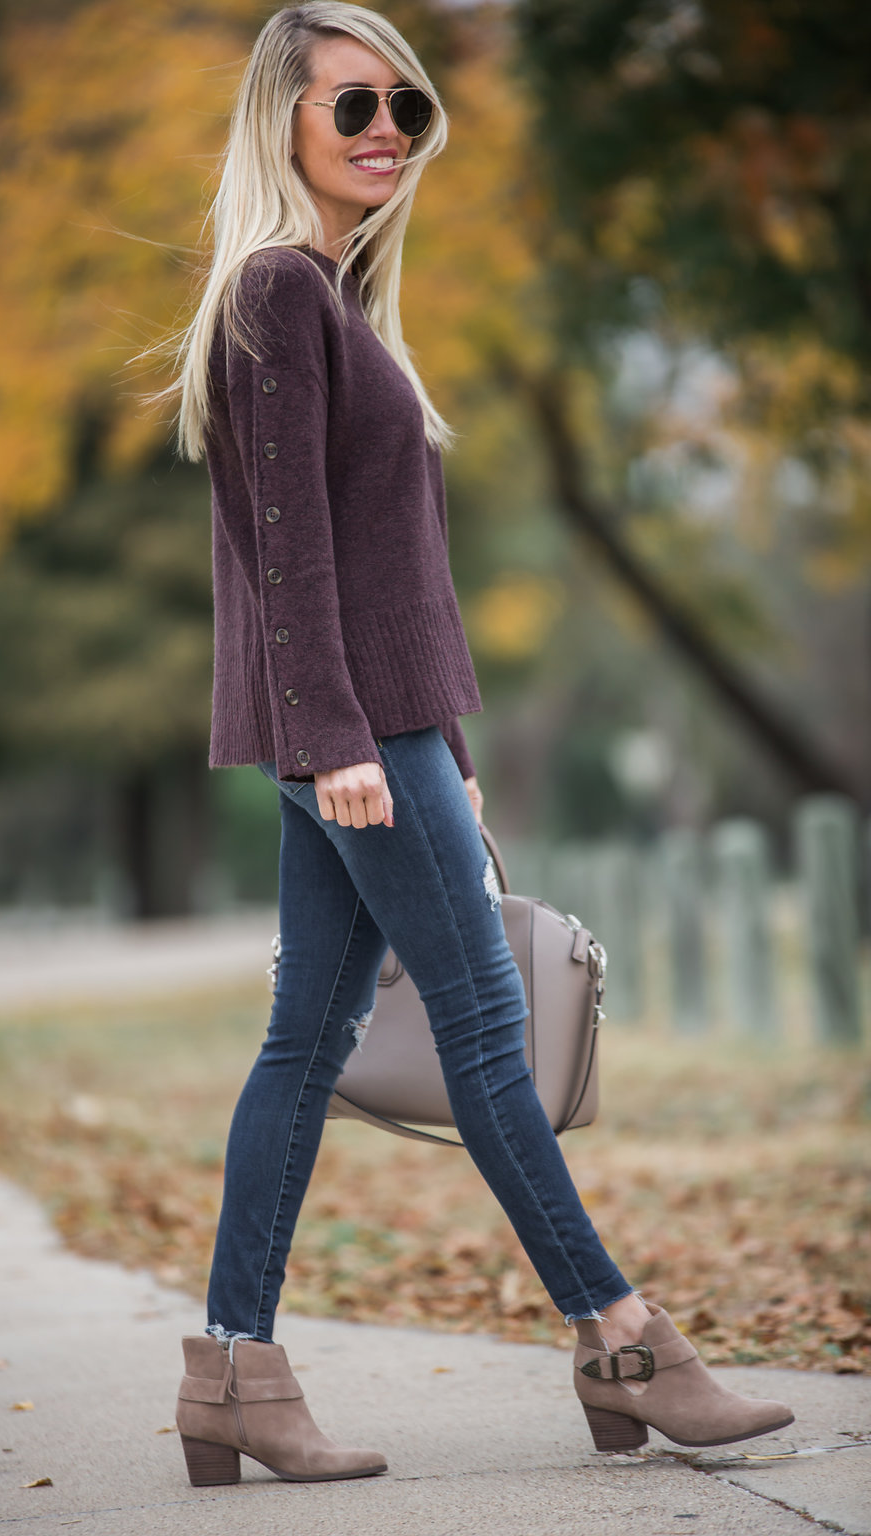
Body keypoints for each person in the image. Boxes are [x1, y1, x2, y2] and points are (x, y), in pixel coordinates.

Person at [168, 0, 793, 1488]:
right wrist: (344, 742)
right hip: (354, 737)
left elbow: (374, 570)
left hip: (385, 733)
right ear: (285, 122)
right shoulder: (276, 291)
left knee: (307, 1041)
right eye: (354, 107)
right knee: (487, 1038)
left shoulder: (327, 298)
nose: (388, 130)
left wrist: (434, 738)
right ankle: (626, 1340)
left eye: (408, 109)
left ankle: (233, 1375)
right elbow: (290, 548)